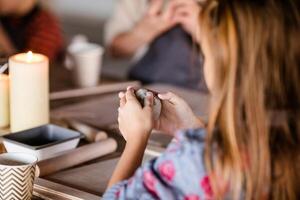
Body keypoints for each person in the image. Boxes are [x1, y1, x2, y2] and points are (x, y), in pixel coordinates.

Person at [103, 0, 300, 199]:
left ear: (223, 64)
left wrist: (137, 137)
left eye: (205, 52)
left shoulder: (197, 160)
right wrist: (194, 129)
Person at [105, 0, 207, 91]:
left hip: (201, 93)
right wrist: (142, 32)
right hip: (144, 87)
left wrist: (202, 33)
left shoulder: (217, 7)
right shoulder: (136, 3)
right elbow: (115, 50)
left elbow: (222, 75)